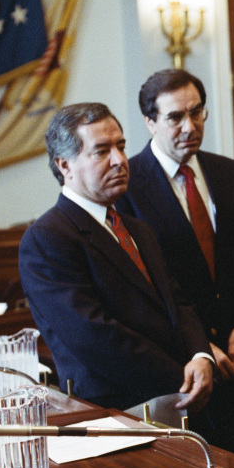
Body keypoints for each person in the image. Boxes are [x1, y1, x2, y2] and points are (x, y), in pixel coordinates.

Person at [115, 69, 234, 458]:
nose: (190, 126)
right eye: (175, 117)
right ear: (150, 122)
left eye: (197, 112)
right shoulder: (127, 187)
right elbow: (149, 286)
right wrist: (201, 346)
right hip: (181, 371)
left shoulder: (228, 172)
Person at [18, 102, 214, 414]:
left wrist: (202, 357)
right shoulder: (47, 237)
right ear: (64, 165)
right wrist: (181, 377)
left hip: (178, 398)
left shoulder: (138, 229)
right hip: (116, 410)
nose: (119, 161)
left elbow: (178, 303)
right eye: (101, 151)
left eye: (121, 147)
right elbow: (94, 335)